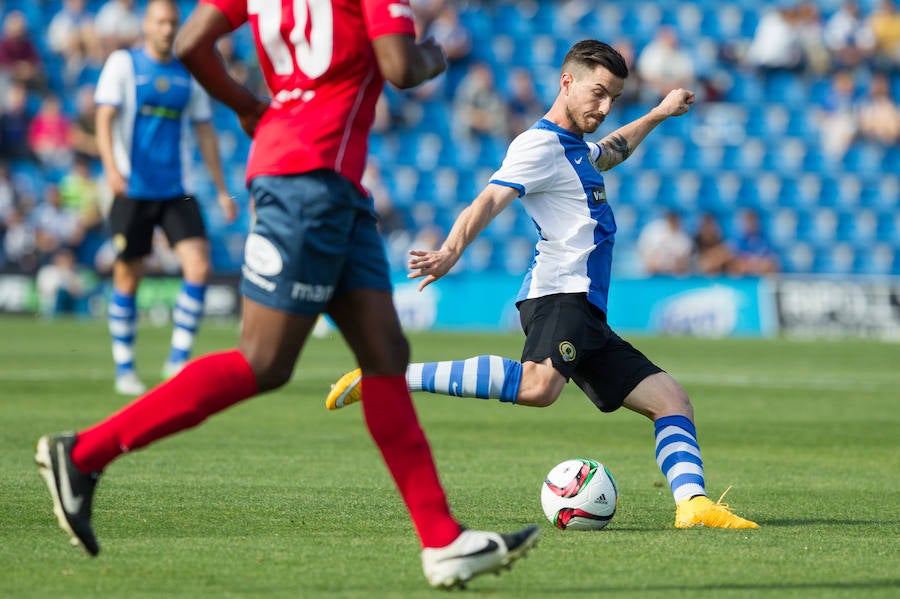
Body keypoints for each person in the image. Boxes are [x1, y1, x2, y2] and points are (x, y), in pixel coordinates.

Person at [34, 0, 539, 590]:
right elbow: (400, 67)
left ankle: (441, 540)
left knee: (384, 355)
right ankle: (85, 454)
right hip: (311, 180)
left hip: (322, 180)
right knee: (264, 360)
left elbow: (194, 38)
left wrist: (250, 106)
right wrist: (434, 54)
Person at [325, 40, 759, 531]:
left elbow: (612, 151)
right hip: (560, 292)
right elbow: (488, 200)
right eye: (598, 93)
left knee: (671, 400)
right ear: (567, 82)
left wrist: (658, 112)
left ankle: (693, 506)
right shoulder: (538, 144)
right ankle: (388, 376)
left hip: (586, 308)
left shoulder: (574, 148)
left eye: (613, 97)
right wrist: (451, 249)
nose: (605, 106)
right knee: (539, 386)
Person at [93, 0, 236, 395]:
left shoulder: (189, 73)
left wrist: (223, 190)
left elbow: (205, 131)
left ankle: (178, 361)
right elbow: (104, 117)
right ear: (147, 24)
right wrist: (110, 167)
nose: (168, 29)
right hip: (133, 188)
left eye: (173, 22)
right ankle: (125, 367)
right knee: (128, 275)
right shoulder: (124, 64)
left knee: (199, 266)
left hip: (177, 189)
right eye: (161, 22)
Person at [636, 209, 693, 275]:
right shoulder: (653, 231)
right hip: (652, 274)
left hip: (673, 275)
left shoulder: (684, 238)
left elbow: (684, 262)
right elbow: (644, 252)